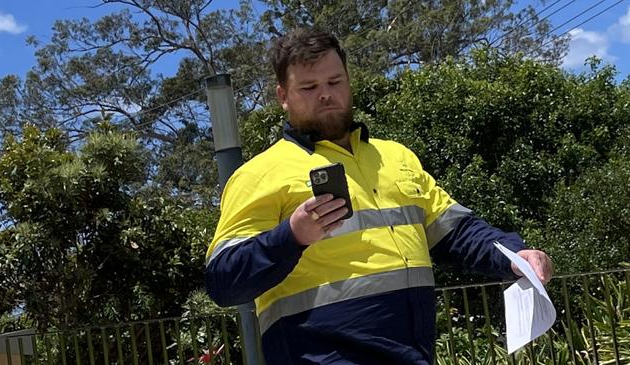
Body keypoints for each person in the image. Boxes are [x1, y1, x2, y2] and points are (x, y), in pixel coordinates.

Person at [205, 28, 553, 365]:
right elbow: (224, 281)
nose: (325, 94)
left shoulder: (396, 157)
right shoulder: (259, 174)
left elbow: (457, 231)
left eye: (335, 82)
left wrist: (514, 255)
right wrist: (291, 237)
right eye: (309, 87)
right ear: (283, 97)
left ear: (348, 82)